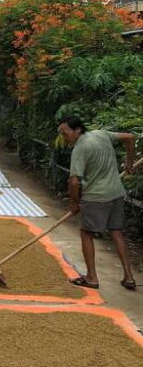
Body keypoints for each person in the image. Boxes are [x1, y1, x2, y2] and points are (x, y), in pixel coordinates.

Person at [58, 115, 137, 291]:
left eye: (65, 133)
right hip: (116, 193)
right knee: (116, 232)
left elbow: (74, 181)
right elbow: (131, 138)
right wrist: (129, 164)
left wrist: (74, 203)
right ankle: (129, 277)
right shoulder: (101, 134)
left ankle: (92, 278)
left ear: (77, 130)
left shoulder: (80, 149)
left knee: (86, 233)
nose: (64, 137)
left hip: (96, 197)